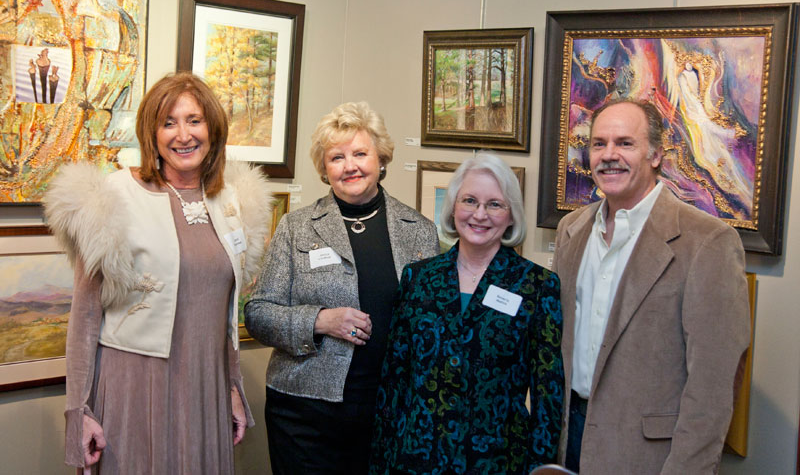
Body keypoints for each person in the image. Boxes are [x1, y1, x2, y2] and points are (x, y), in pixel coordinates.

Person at [43, 72, 273, 473]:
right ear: (151, 134)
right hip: (134, 386)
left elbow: (224, 315)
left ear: (212, 128)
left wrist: (232, 387)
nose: (183, 135)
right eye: (168, 122)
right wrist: (78, 410)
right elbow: (84, 316)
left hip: (205, 387)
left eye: (194, 120)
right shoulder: (112, 198)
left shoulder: (232, 202)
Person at [554, 99, 750, 474]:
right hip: (570, 440)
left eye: (625, 143)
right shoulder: (572, 230)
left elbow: (712, 389)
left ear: (657, 153)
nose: (609, 155)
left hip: (647, 456)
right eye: (599, 144)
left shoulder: (707, 242)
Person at [244, 101, 439, 475]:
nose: (350, 166)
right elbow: (258, 314)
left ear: (381, 158)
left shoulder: (418, 230)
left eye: (360, 153)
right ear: (324, 168)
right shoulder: (295, 227)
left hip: (388, 409)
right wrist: (319, 320)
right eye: (337, 157)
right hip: (304, 413)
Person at [370, 152, 564, 475]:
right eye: (470, 200)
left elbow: (548, 397)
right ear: (453, 206)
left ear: (512, 215)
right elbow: (394, 384)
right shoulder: (418, 279)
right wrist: (381, 464)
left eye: (494, 204)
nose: (480, 214)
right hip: (417, 459)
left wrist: (539, 469)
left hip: (497, 463)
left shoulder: (537, 286)